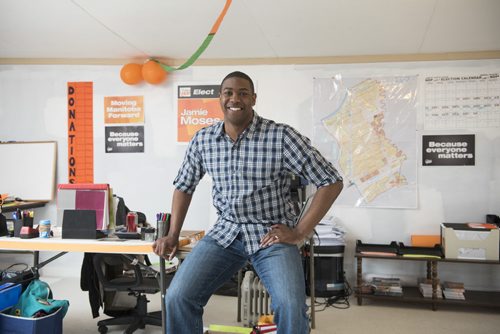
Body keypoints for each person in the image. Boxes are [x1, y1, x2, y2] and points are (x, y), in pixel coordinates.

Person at [153, 71, 343, 334]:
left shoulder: (281, 136)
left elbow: (331, 181)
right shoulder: (203, 139)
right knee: (177, 297)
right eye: (228, 92)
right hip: (226, 233)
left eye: (243, 93)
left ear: (253, 99)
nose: (235, 98)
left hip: (270, 235)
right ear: (220, 98)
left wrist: (300, 232)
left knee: (290, 305)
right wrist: (173, 234)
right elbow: (184, 186)